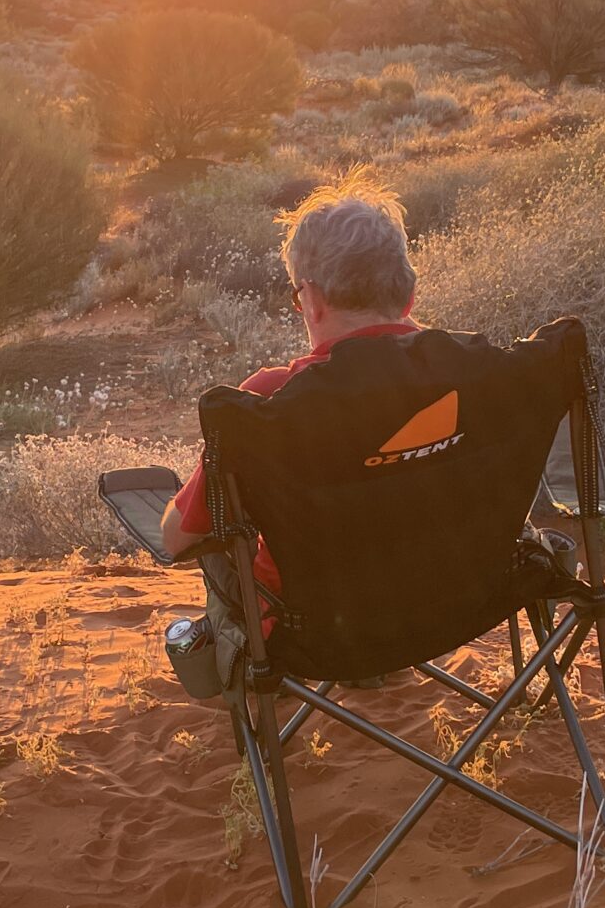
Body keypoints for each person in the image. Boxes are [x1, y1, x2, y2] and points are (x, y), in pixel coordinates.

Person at [158, 174, 421, 600]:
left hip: (310, 630)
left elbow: (176, 539)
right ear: (408, 297)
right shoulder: (474, 372)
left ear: (312, 302)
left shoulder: (271, 398)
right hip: (448, 605)